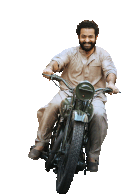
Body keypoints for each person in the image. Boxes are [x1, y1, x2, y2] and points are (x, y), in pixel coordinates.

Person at [28, 20, 119, 172]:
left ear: (96, 37)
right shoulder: (70, 52)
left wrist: (110, 84)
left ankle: (92, 156)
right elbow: (58, 61)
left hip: (94, 96)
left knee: (99, 115)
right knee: (53, 106)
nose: (87, 40)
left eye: (90, 37)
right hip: (68, 91)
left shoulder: (103, 54)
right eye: (84, 36)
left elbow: (110, 71)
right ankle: (41, 143)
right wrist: (50, 69)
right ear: (79, 37)